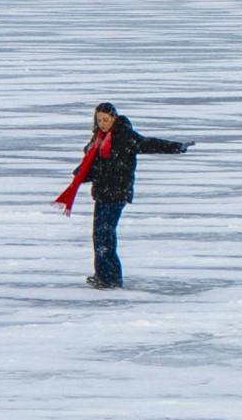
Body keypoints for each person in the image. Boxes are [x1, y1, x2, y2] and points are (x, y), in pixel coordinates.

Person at [54, 102, 193, 288]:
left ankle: (109, 278)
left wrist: (176, 147)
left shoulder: (124, 136)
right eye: (99, 120)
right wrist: (81, 173)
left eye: (106, 119)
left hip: (117, 193)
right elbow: (94, 162)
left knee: (104, 235)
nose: (102, 123)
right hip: (102, 193)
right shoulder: (98, 138)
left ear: (114, 118)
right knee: (100, 236)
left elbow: (148, 143)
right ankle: (105, 275)